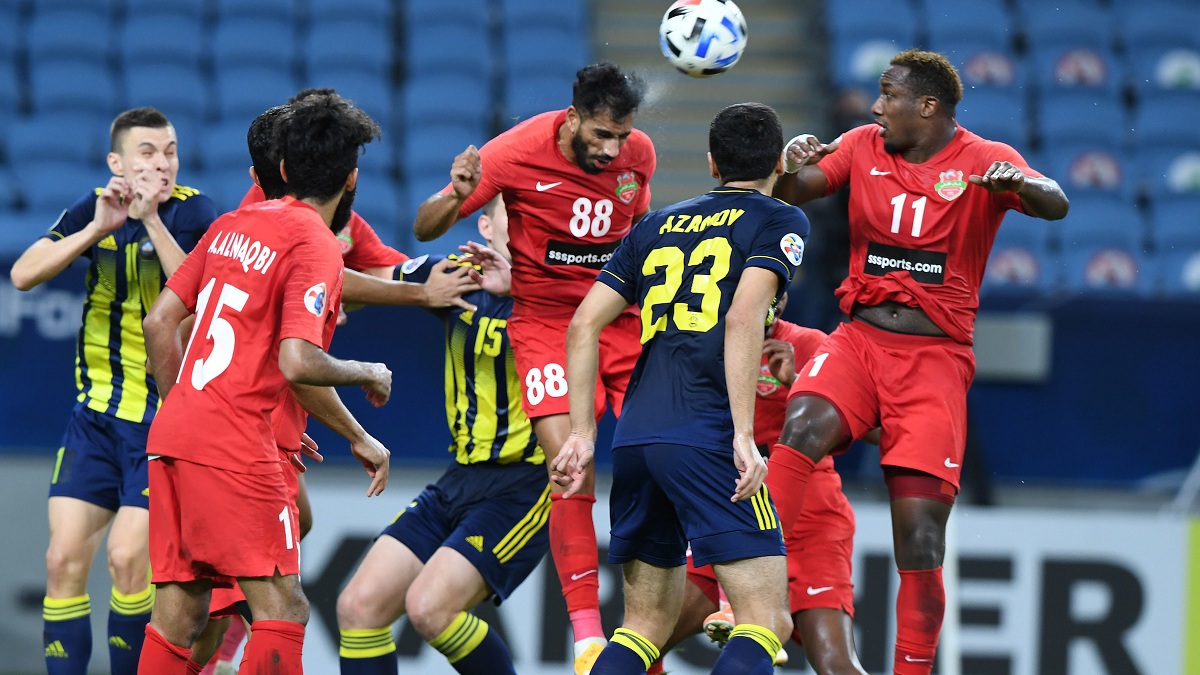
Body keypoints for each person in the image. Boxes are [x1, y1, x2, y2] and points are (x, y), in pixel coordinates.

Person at [768, 49, 1069, 675]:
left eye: (889, 95)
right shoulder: (862, 144)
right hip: (857, 341)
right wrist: (787, 166)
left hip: (934, 360)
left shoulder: (987, 160)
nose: (877, 107)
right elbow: (798, 191)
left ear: (927, 106)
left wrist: (1025, 186)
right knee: (798, 432)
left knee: (921, 539)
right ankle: (743, 594)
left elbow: (1055, 202)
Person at [411, 62, 656, 671]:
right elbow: (423, 227)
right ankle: (587, 636)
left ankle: (678, 610)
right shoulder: (514, 153)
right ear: (570, 118)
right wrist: (455, 191)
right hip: (546, 325)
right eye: (601, 134)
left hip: (619, 318)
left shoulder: (639, 156)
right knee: (569, 464)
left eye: (621, 136)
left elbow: (639, 240)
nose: (612, 149)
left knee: (661, 452)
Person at [135, 93, 392, 674]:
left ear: (280, 170)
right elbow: (298, 361)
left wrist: (185, 404)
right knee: (284, 606)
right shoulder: (314, 243)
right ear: (351, 179)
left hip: (175, 432)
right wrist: (369, 372)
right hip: (234, 444)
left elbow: (159, 322)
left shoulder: (232, 224)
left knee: (179, 611)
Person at [554, 102, 808, 675]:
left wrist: (580, 433)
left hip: (638, 437)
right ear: (776, 162)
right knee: (767, 621)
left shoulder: (655, 224)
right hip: (707, 434)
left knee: (642, 628)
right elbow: (744, 317)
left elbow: (582, 325)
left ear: (713, 164)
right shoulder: (779, 220)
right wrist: (744, 434)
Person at [8, 107, 218, 675]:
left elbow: (202, 299)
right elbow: (23, 274)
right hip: (95, 417)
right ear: (117, 163)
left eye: (170, 150)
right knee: (62, 559)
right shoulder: (93, 207)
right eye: (148, 152)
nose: (162, 163)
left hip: (163, 424)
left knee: (128, 560)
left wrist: (151, 222)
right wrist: (97, 228)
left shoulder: (196, 213)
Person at [336, 196, 552, 675]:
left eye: (536, 221)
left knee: (431, 608)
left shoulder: (568, 291)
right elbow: (377, 276)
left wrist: (526, 290)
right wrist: (333, 287)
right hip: (460, 478)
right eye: (513, 219)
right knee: (358, 607)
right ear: (486, 226)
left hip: (527, 484)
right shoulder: (459, 276)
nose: (527, 230)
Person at [648, 294, 869, 675]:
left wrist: (799, 384)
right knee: (646, 644)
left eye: (779, 291)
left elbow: (879, 431)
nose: (773, 300)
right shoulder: (699, 347)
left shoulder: (810, 345)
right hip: (731, 520)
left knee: (836, 666)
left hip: (810, 527)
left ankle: (746, 610)